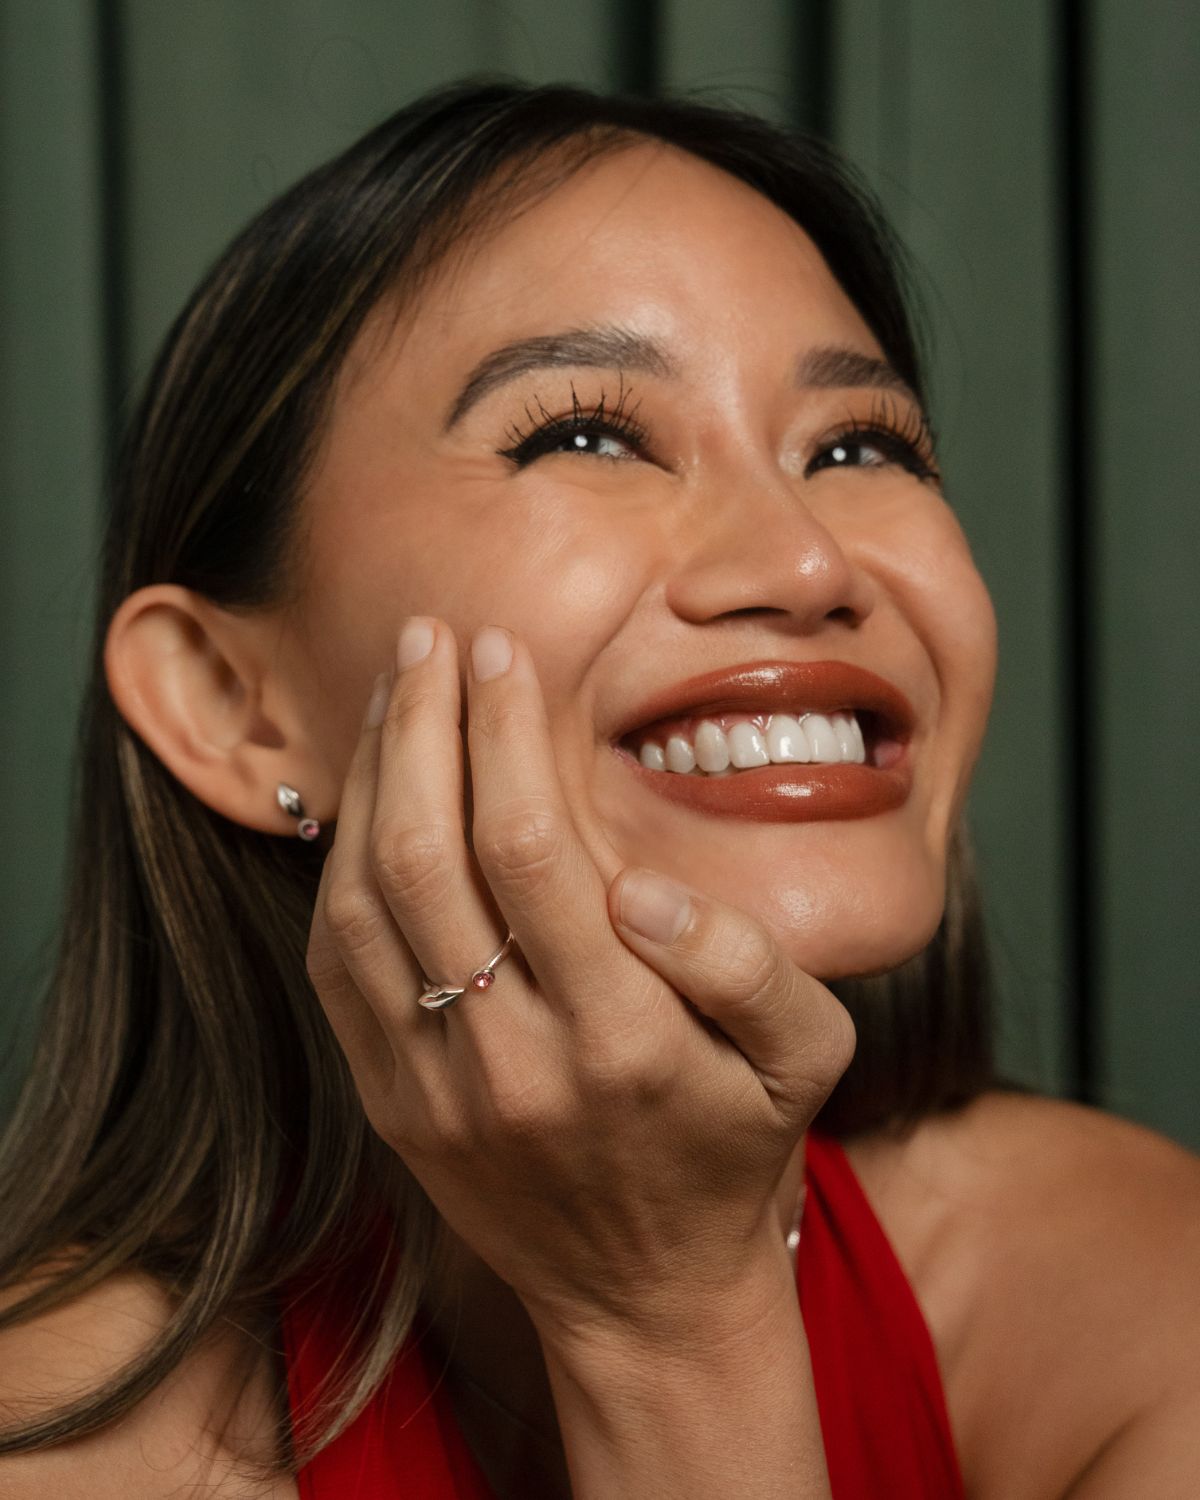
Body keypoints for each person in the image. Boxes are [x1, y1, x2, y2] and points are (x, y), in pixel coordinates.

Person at [0, 79, 1195, 1499]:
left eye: (860, 447)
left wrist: (676, 1327)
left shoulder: (1128, 1282)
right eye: (585, 435)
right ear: (230, 706)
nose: (812, 566)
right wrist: (665, 1328)